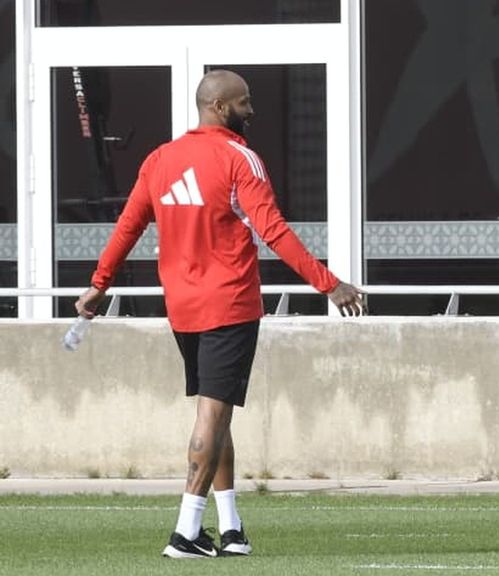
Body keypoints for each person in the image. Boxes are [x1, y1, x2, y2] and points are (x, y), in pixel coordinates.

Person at [75, 69, 365, 558]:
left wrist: (98, 285)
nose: (251, 110)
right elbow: (273, 231)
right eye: (245, 102)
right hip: (228, 304)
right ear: (219, 107)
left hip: (183, 308)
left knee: (218, 409)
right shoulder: (239, 158)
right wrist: (329, 284)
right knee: (213, 413)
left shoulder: (159, 160)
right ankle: (186, 531)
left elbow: (127, 227)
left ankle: (230, 528)